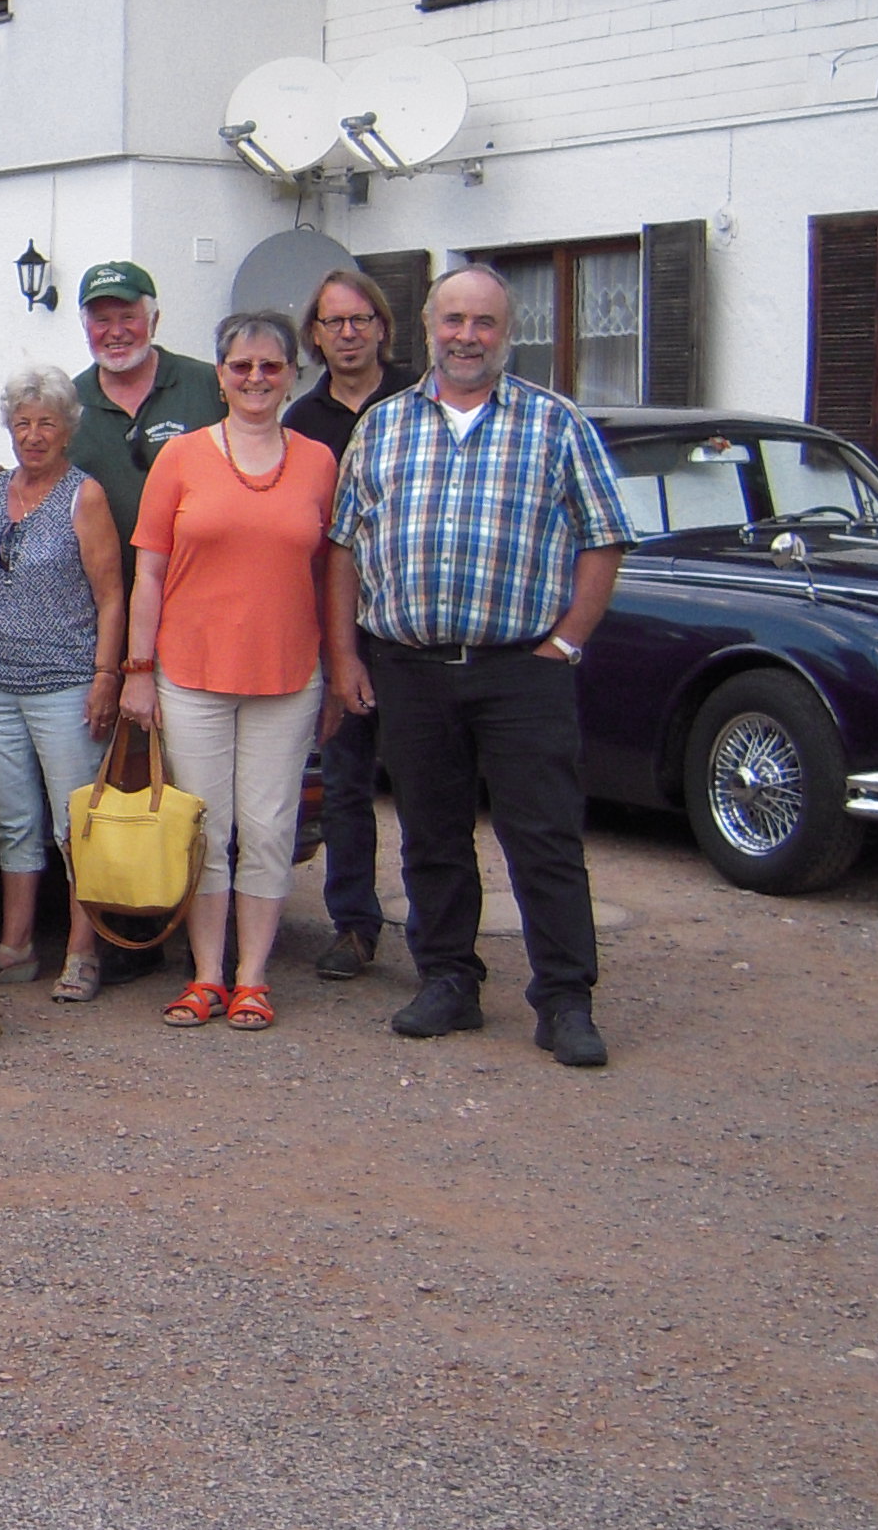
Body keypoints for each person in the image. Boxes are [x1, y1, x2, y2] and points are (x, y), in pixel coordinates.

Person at [324, 265, 636, 1067]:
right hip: (411, 668)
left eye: (484, 322)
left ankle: (564, 1000)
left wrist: (567, 642)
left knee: (544, 838)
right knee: (431, 836)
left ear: (507, 333)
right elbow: (344, 548)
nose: (467, 336)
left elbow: (604, 537)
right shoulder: (384, 426)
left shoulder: (555, 423)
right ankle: (448, 980)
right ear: (429, 328)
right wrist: (345, 654)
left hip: (521, 670)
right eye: (454, 320)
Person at [120, 310, 336, 1033]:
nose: (255, 378)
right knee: (203, 831)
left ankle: (253, 978)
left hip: (287, 675)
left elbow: (331, 573)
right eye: (241, 366)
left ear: (292, 375)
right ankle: (207, 974)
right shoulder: (180, 458)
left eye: (271, 366)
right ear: (220, 376)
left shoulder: (318, 462)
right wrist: (138, 669)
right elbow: (148, 574)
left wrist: (339, 664)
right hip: (190, 673)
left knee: (269, 830)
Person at [0, 367, 126, 1005]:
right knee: (14, 821)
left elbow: (111, 596)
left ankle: (83, 952)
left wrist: (106, 676)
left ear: (67, 430)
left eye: (47, 424)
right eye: (23, 423)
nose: (33, 435)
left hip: (65, 683)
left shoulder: (85, 496)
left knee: (75, 823)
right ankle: (17, 944)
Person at [286, 266, 415, 983]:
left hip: (412, 621)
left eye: (360, 319)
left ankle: (436, 929)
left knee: (426, 786)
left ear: (381, 327)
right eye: (333, 322)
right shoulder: (302, 423)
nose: (347, 333)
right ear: (316, 334)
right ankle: (354, 925)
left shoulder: (421, 400)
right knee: (344, 784)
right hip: (337, 624)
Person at [0, 260, 222, 561]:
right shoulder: (66, 403)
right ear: (85, 327)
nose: (116, 332)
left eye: (128, 317)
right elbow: (38, 477)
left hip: (201, 579)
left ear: (154, 320)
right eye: (102, 320)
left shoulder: (209, 385)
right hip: (99, 585)